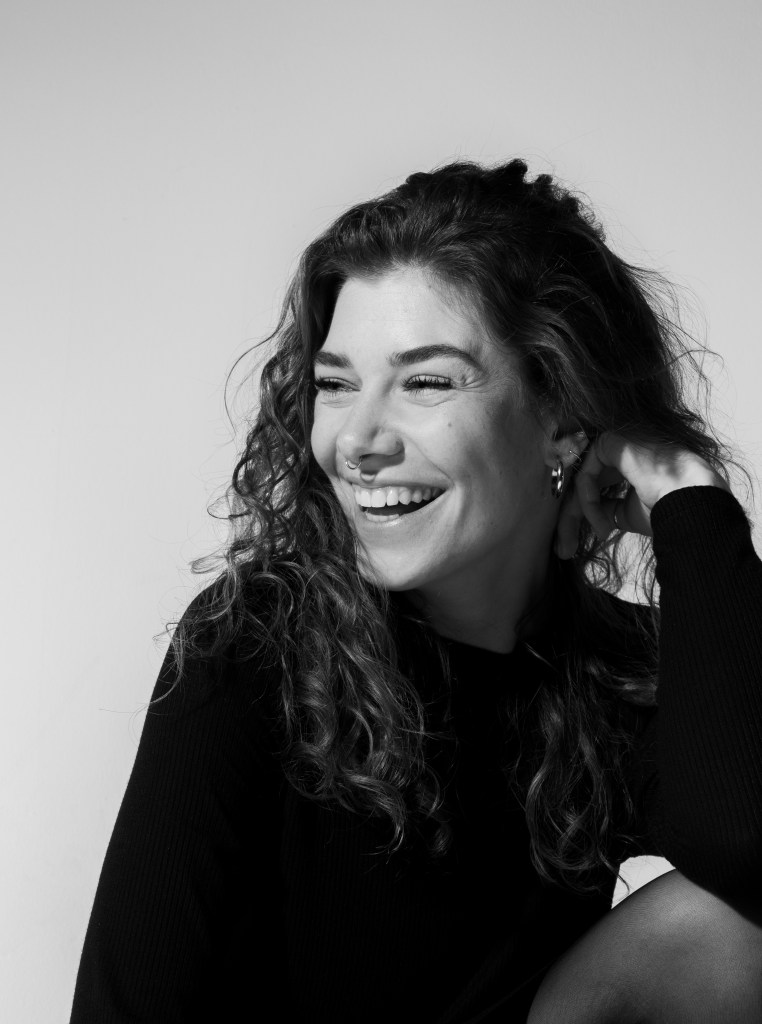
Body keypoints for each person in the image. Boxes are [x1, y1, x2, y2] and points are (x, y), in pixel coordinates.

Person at [69, 160, 762, 1023]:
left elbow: (746, 847)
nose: (358, 440)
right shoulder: (257, 645)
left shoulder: (613, 668)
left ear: (559, 411)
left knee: (733, 928)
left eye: (426, 381)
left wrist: (689, 499)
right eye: (335, 384)